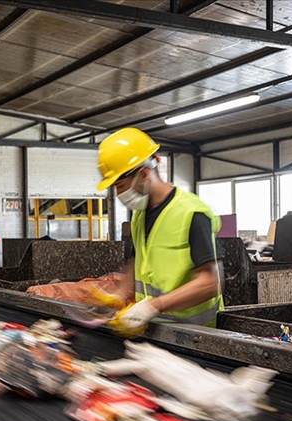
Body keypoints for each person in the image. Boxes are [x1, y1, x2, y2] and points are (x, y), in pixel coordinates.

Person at [95, 127, 223, 336]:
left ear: (144, 174)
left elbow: (209, 284)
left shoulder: (192, 213)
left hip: (195, 336)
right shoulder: (139, 214)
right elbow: (140, 260)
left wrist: (152, 306)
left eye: (120, 185)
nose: (118, 194)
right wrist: (119, 293)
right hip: (153, 331)